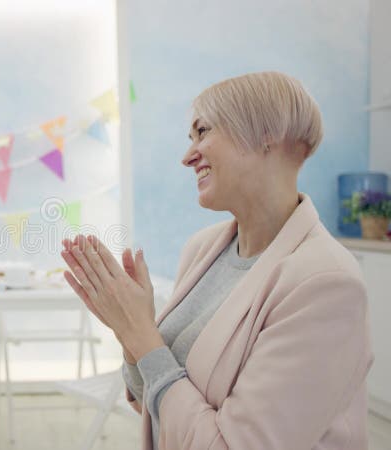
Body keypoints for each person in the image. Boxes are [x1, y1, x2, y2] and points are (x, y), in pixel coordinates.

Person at [61, 71, 372, 449]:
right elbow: (153, 402)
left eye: (203, 132)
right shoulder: (202, 249)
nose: (187, 156)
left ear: (266, 135)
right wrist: (130, 333)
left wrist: (141, 334)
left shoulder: (325, 283)